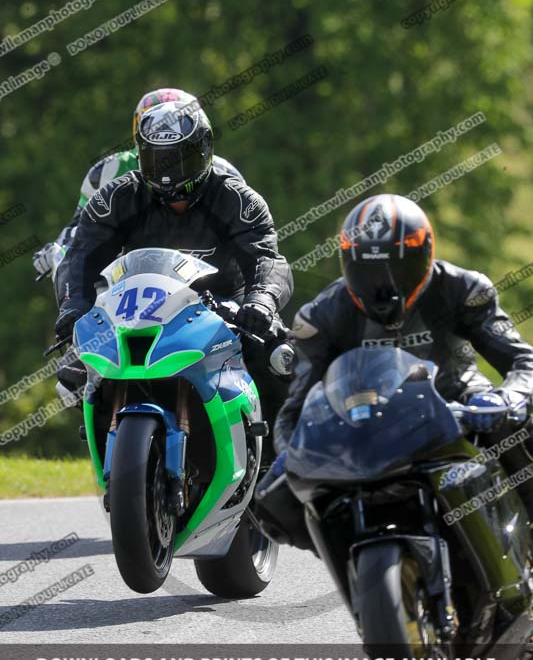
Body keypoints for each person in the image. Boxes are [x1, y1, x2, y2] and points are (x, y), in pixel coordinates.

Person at [257, 193, 533, 545]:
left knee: (521, 428)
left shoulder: (465, 289)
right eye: (367, 270)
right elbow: (294, 407)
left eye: (397, 268)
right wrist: (291, 451)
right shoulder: (321, 315)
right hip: (366, 420)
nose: (383, 284)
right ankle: (352, 554)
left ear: (425, 255)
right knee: (273, 500)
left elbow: (522, 360)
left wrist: (508, 398)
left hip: (460, 403)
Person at [54, 100, 293, 449]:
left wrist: (261, 301)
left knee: (281, 361)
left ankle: (277, 466)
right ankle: (111, 448)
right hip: (139, 311)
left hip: (225, 312)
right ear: (140, 156)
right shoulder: (116, 198)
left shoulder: (238, 199)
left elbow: (267, 258)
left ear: (205, 150)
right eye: (157, 159)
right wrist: (73, 304)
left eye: (180, 158)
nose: (169, 174)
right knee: (72, 374)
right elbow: (81, 256)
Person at [32, 88, 244, 281]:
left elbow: (248, 233)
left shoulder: (224, 171)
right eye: (153, 123)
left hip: (207, 280)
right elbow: (80, 225)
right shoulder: (107, 170)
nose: (161, 137)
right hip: (125, 283)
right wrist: (59, 250)